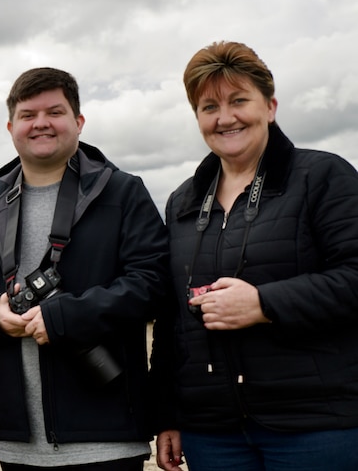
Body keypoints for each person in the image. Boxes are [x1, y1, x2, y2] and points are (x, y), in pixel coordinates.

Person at [0, 67, 170, 470]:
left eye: (54, 112)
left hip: (107, 437)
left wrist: (64, 316)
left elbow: (152, 284)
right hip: (16, 440)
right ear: (11, 126)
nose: (41, 123)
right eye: (28, 115)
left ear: (78, 122)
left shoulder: (123, 192)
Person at [151, 41, 358, 471]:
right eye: (209, 107)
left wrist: (264, 304)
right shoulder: (182, 202)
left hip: (316, 428)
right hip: (213, 434)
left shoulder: (323, 176)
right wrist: (168, 415)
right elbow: (171, 318)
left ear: (270, 106)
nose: (225, 118)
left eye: (239, 100)